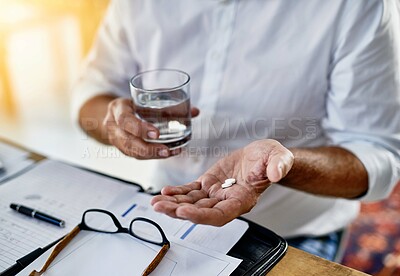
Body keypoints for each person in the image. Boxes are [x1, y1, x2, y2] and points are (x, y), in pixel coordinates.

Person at [73, 0, 400, 261]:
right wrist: (113, 123)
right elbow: (93, 92)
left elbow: (377, 157)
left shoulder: (358, 6)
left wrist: (281, 165)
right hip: (165, 212)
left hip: (291, 233)